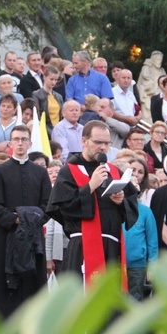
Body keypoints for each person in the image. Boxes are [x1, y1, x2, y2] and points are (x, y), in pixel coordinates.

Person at [47, 121, 139, 287]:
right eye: (98, 142)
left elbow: (132, 207)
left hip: (112, 246)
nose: (103, 147)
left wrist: (121, 201)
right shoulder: (68, 171)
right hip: (82, 247)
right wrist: (90, 186)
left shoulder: (114, 171)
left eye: (106, 143)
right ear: (84, 141)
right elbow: (62, 209)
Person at [0, 125, 51, 318]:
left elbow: (48, 206)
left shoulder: (40, 173)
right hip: (6, 237)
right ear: (10, 143)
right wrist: (17, 220)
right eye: (16, 139)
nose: (20, 143)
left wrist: (29, 222)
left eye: (24, 139)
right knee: (3, 288)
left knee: (32, 288)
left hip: (34, 240)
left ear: (30, 143)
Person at [31, 65, 64, 135]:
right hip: (45, 130)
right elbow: (37, 116)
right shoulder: (36, 95)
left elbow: (61, 116)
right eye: (51, 79)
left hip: (59, 130)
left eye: (56, 80)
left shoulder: (59, 97)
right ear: (44, 77)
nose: (54, 82)